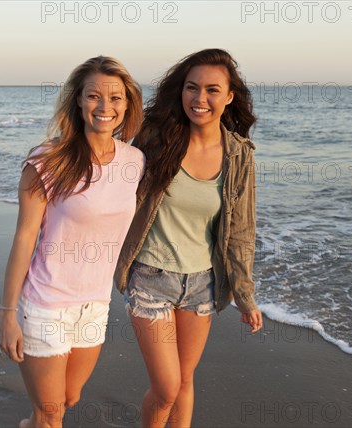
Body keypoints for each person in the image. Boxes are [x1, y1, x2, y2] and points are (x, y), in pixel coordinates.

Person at [114, 48, 263, 427]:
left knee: (185, 382)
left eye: (212, 90)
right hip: (150, 277)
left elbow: (241, 231)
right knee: (166, 387)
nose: (200, 99)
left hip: (202, 285)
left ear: (229, 96)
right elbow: (111, 175)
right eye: (192, 88)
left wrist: (245, 295)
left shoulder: (239, 155)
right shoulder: (155, 137)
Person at [0, 56, 144, 428]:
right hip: (46, 304)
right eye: (94, 96)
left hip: (94, 305)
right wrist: (7, 314)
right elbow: (25, 236)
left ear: (127, 104)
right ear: (78, 100)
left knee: (68, 398)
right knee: (51, 413)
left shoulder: (136, 162)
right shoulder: (47, 160)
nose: (105, 107)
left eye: (115, 98)